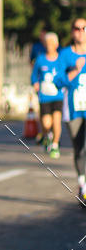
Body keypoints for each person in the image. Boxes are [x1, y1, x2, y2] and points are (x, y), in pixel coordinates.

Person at [55, 18, 86, 203]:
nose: (81, 31)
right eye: (77, 28)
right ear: (72, 31)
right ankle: (82, 183)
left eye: (84, 28)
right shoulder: (65, 55)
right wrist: (75, 69)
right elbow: (58, 81)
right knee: (79, 149)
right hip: (74, 109)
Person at [30, 32, 63, 159]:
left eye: (52, 44)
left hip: (58, 95)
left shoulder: (61, 59)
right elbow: (34, 75)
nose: (49, 46)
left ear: (56, 44)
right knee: (46, 123)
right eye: (47, 44)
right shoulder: (40, 59)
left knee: (56, 120)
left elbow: (66, 74)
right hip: (44, 96)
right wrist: (35, 83)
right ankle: (46, 135)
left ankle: (55, 145)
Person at [30, 28, 48, 144]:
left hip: (54, 85)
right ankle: (43, 132)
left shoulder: (56, 47)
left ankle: (50, 133)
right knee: (42, 109)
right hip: (41, 84)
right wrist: (35, 79)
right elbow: (31, 62)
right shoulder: (36, 48)